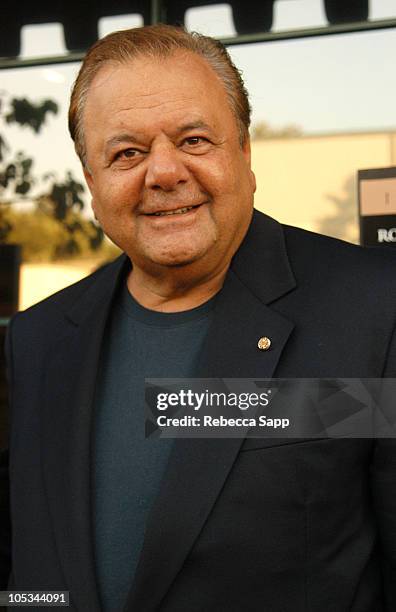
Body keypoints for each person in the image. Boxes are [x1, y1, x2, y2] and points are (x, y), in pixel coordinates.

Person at [1, 24, 396, 612]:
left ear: (243, 153)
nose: (162, 173)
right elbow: (32, 572)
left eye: (193, 140)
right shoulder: (37, 341)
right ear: (92, 181)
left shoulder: (372, 310)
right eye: (126, 152)